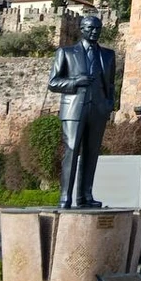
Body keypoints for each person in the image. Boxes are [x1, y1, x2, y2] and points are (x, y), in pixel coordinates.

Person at [47, 14, 115, 209]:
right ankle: (65, 197)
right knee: (71, 150)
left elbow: (110, 84)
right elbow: (53, 82)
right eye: (91, 28)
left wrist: (109, 104)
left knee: (91, 153)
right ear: (82, 29)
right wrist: (75, 82)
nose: (95, 32)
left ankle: (85, 195)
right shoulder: (66, 52)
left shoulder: (108, 55)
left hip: (98, 109)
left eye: (98, 28)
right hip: (74, 108)